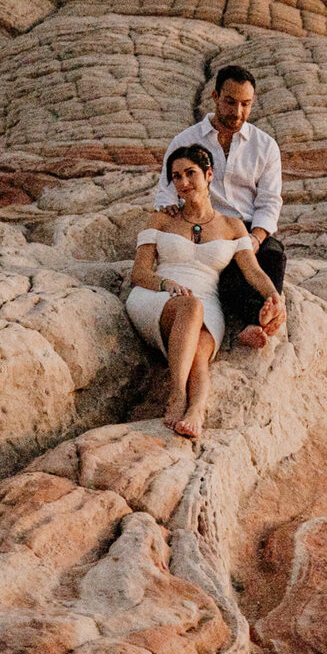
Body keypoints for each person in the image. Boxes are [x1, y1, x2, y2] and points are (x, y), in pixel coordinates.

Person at [127, 144, 285, 439]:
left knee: (200, 351)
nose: (184, 183)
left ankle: (196, 411)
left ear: (209, 174)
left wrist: (275, 297)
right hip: (157, 296)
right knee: (190, 306)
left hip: (207, 303)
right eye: (176, 177)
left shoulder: (232, 225)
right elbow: (139, 273)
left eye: (191, 174)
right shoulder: (161, 219)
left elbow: (252, 271)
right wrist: (165, 284)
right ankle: (177, 395)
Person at [154, 65, 286, 348]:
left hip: (248, 228)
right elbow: (165, 195)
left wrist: (256, 237)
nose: (237, 112)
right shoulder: (186, 141)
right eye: (230, 102)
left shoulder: (265, 146)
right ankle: (259, 317)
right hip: (208, 224)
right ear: (214, 96)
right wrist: (178, 222)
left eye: (245, 104)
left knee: (274, 256)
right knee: (225, 278)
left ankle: (264, 316)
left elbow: (269, 201)